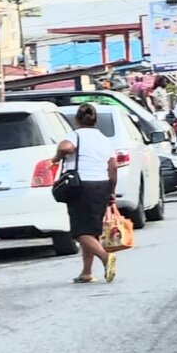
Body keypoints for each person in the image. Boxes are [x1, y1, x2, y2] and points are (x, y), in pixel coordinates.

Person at [52, 103, 119, 284]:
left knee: (81, 233)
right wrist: (111, 191)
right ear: (95, 120)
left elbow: (66, 147)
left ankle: (106, 258)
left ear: (77, 120)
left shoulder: (74, 135)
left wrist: (56, 158)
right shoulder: (104, 139)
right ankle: (86, 272)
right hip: (102, 184)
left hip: (82, 186)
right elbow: (113, 166)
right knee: (91, 231)